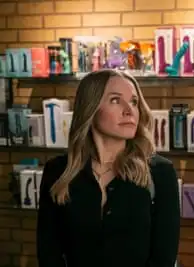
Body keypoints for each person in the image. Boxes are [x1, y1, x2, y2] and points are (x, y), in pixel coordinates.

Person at [36, 69, 180, 267]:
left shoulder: (160, 173)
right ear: (91, 108)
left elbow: (164, 257)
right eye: (115, 100)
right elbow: (48, 253)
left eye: (134, 102)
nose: (129, 110)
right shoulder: (58, 172)